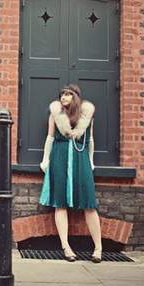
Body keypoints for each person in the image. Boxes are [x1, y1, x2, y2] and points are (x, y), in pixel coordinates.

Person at [39, 84, 102, 263]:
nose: (64, 98)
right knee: (60, 203)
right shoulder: (56, 115)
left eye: (68, 94)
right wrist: (45, 159)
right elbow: (50, 138)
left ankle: (98, 248)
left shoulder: (86, 116)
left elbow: (90, 139)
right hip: (59, 157)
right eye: (62, 95)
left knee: (89, 203)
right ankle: (66, 247)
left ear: (76, 97)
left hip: (80, 158)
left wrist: (90, 161)